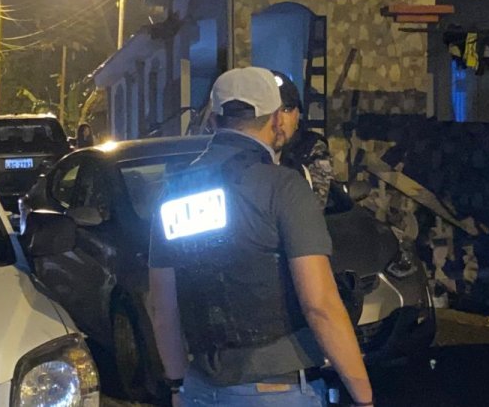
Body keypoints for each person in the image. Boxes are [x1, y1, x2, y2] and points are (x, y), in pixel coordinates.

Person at [147, 67, 374, 407]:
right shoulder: (283, 187)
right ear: (277, 120)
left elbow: (163, 306)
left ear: (214, 120)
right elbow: (321, 305)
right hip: (277, 390)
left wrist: (178, 387)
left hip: (200, 388)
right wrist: (363, 396)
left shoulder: (172, 193)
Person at [268, 71, 331, 207]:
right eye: (269, 110)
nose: (278, 120)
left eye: (286, 110)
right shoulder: (240, 157)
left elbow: (313, 209)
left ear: (297, 116)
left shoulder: (310, 149)